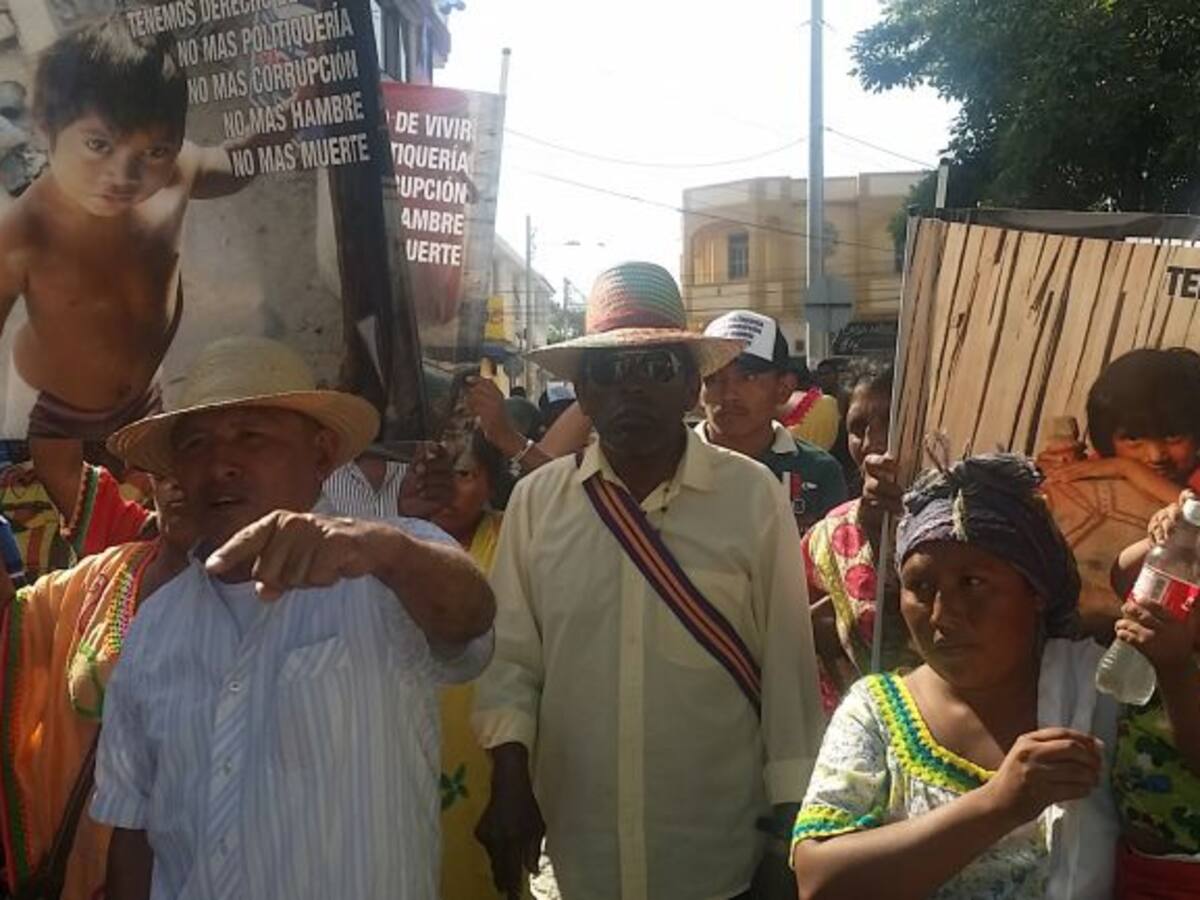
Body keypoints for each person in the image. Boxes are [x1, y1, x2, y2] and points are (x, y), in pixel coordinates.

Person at [90, 336, 496, 900]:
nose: (220, 464)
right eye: (196, 444)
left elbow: (471, 619)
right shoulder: (155, 627)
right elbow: (133, 830)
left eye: (251, 436)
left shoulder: (389, 564)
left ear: (322, 453)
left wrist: (385, 551)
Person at [473, 262, 825, 900]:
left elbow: (787, 670)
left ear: (692, 385)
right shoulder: (536, 503)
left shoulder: (752, 497)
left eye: (656, 368)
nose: (630, 389)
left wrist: (787, 837)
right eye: (607, 371)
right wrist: (508, 781)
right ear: (582, 392)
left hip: (717, 861)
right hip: (577, 862)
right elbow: (511, 666)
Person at [792, 453, 1120, 900]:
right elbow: (818, 882)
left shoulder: (1097, 696)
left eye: (974, 583)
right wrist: (997, 805)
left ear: (1036, 591)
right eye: (922, 589)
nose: (944, 616)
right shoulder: (877, 712)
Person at [0, 17, 275, 492]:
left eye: (153, 151)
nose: (122, 174)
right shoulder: (26, 231)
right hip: (57, 413)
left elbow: (236, 166)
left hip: (145, 394)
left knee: (154, 509)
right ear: (47, 128)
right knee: (81, 529)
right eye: (97, 144)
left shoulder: (178, 172)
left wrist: (305, 105)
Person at [0, 477, 194, 900]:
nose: (182, 482)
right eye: (168, 468)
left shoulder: (308, 595)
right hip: (89, 868)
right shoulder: (104, 576)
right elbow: (12, 622)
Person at [428, 430, 524, 900]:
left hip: (492, 754)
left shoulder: (514, 537)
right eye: (437, 473)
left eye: (463, 474)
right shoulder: (389, 547)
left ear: (490, 481)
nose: (447, 488)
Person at [800, 361, 917, 713]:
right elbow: (795, 631)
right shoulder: (830, 533)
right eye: (857, 427)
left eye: (887, 421)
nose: (871, 442)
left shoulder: (964, 516)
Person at [1107, 492, 1200, 896]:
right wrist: (1167, 539)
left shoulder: (1176, 654)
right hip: (1135, 855)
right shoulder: (1184, 589)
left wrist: (1175, 669)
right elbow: (1122, 576)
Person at [698, 310, 846, 531]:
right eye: (714, 379)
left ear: (783, 388)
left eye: (747, 377)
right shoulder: (671, 463)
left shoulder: (819, 471)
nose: (729, 394)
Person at [1047, 348, 1200, 504]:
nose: (1156, 457)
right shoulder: (1105, 463)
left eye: (1172, 436)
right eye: (1133, 438)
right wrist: (1050, 470)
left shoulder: (1119, 464)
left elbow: (1196, 515)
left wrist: (1129, 469)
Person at [780, 359, 842, 453]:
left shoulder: (842, 399)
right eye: (820, 374)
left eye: (827, 373)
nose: (824, 377)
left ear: (836, 375)